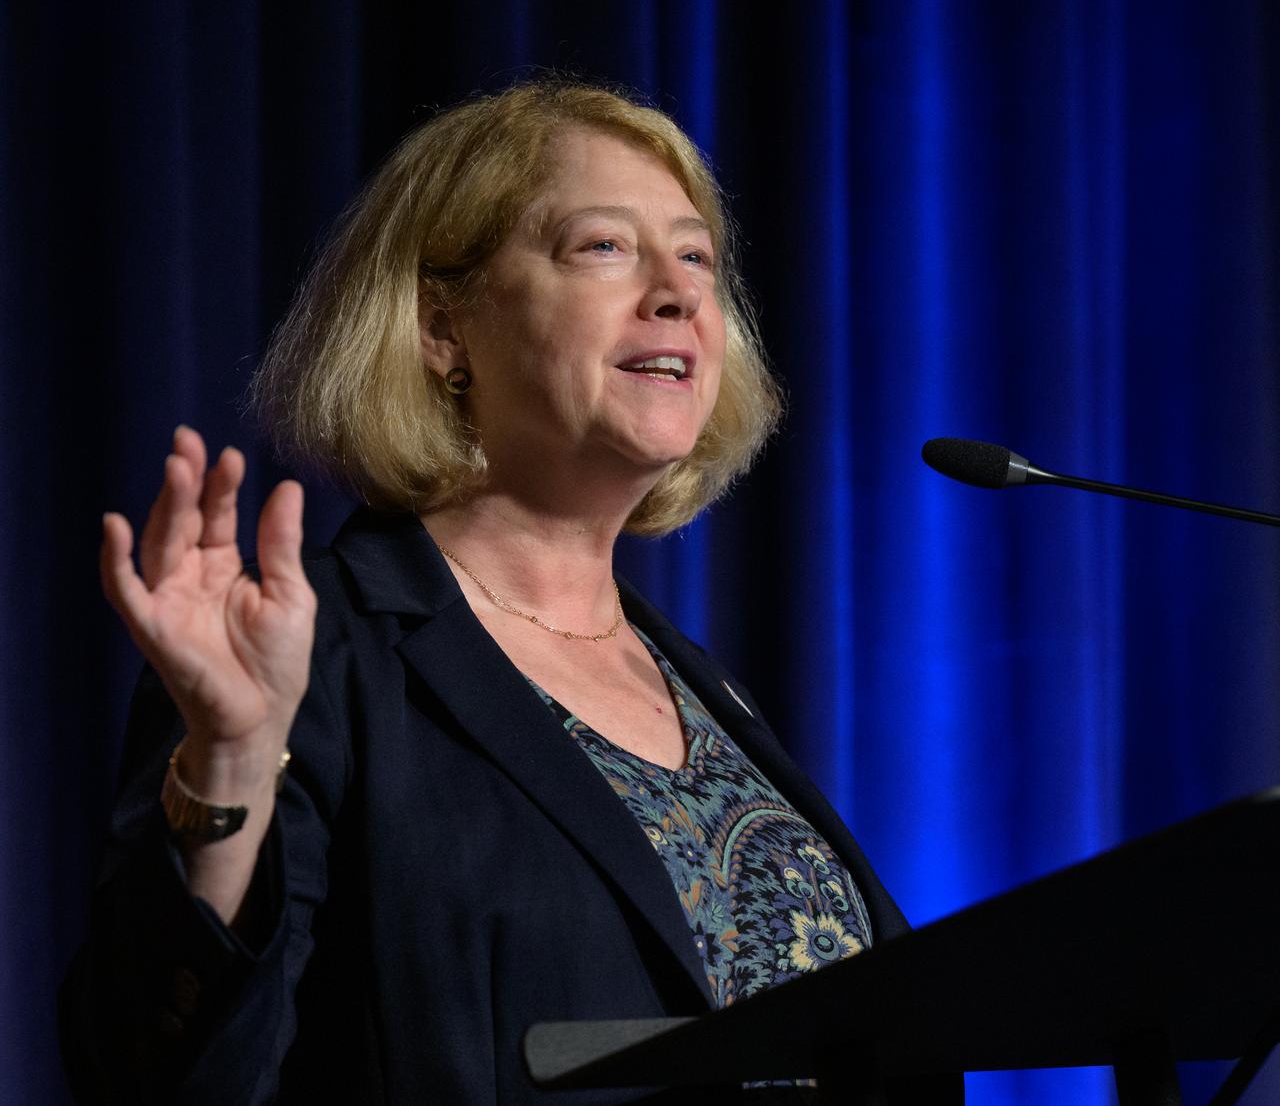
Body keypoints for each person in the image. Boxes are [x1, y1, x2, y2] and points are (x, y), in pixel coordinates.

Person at [62, 81, 961, 1104]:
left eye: (696, 256)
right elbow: (152, 1075)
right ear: (442, 323)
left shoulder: (704, 690)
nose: (675, 292)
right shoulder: (316, 655)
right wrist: (226, 765)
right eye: (602, 247)